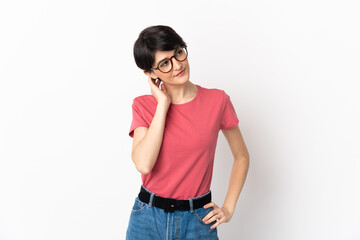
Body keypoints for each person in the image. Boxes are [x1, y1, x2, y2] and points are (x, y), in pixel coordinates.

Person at [126, 25, 250, 240]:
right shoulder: (144, 106)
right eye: (164, 63)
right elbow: (144, 164)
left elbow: (241, 157)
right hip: (147, 219)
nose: (177, 65)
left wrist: (229, 208)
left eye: (178, 53)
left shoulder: (217, 101)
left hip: (198, 220)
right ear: (150, 73)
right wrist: (163, 104)